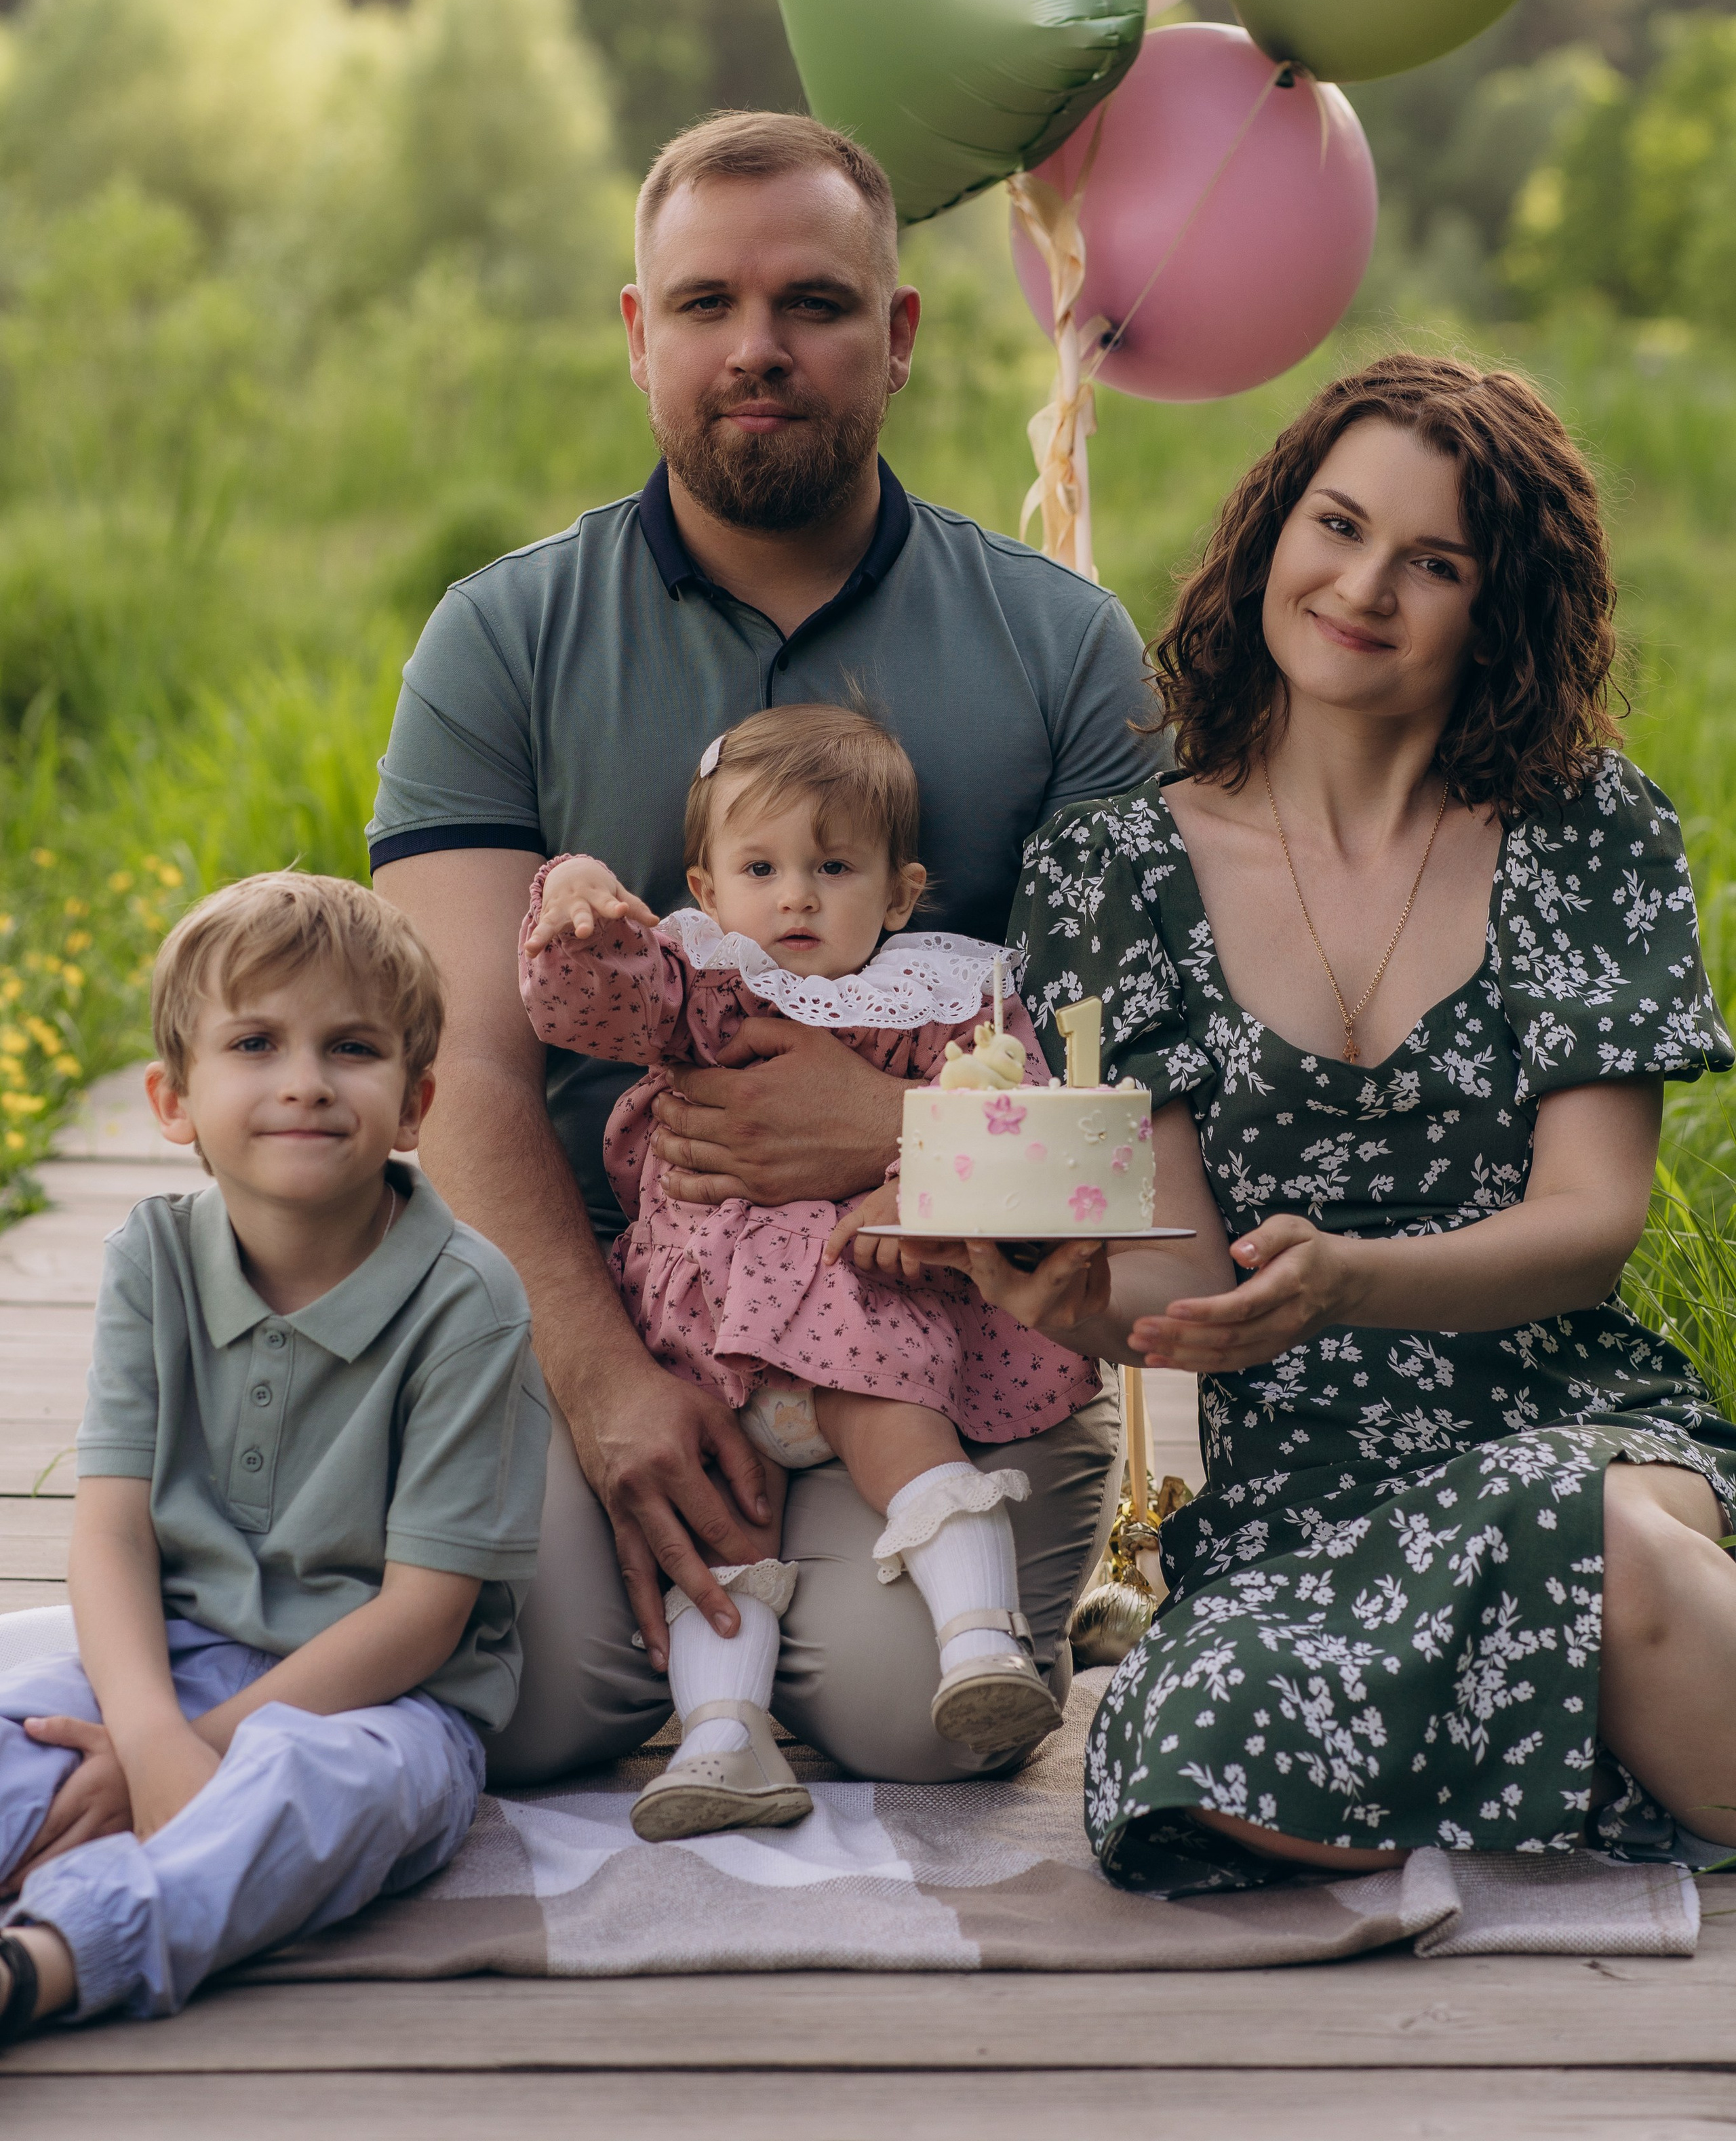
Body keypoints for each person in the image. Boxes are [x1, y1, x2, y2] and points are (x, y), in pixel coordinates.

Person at [370, 110, 1153, 1784]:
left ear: (899, 333)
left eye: (810, 302)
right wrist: (598, 1381)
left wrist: (888, 1131)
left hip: (936, 1305)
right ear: (638, 334)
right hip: (613, 1297)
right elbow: (461, 1083)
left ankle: (861, 1597)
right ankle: (680, 1597)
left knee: (896, 1719)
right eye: (706, 304)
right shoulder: (502, 637)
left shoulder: (1059, 648)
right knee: (535, 1697)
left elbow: (1138, 1111)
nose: (757, 349)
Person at [894, 355, 1736, 1889]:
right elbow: (1181, 1274)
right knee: (1190, 1757)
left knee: (1597, 1534)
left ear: (1503, 609)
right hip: (1298, 1481)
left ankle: (1542, 1724)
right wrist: (1074, 1304)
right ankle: (1593, 1740)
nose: (1362, 585)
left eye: (1433, 562)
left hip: (1575, 1420)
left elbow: (1589, 1224)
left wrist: (1352, 1278)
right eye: (1336, 525)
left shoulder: (1581, 831)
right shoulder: (1111, 870)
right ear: (1271, 529)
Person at [519, 703, 1103, 1839]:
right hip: (709, 1343)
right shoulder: (702, 979)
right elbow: (588, 1004)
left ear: (898, 893)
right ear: (707, 881)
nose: (795, 896)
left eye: (834, 867)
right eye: (762, 867)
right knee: (727, 1525)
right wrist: (577, 898)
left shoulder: (941, 999)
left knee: (902, 1439)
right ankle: (723, 1741)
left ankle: (980, 1638)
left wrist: (911, 1178)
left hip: (862, 1322)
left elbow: (1017, 1116)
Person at [0, 875, 548, 2036]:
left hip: (385, 1703)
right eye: (255, 1041)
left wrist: (181, 1755)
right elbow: (110, 1531)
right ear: (172, 1097)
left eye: (350, 1046)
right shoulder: (151, 1257)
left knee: (315, 1800)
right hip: (176, 1653)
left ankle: (55, 1954)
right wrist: (148, 1734)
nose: (304, 1078)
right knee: (25, 1724)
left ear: (415, 1102)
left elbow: (422, 1616)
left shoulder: (470, 1300)